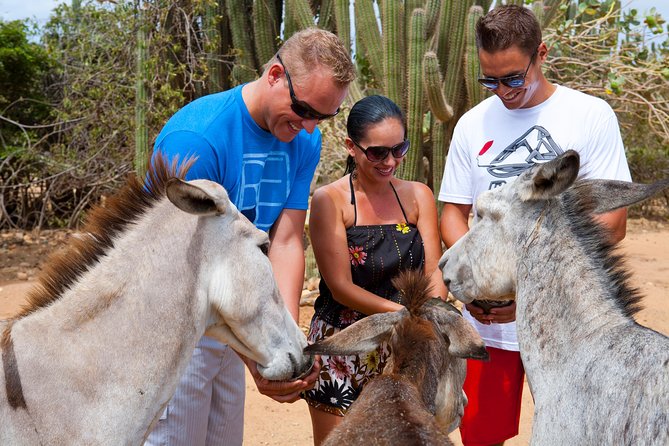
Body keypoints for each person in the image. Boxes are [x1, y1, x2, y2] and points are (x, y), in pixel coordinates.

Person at [145, 28, 356, 446]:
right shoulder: (198, 141)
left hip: (233, 315)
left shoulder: (303, 137)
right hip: (180, 323)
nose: (310, 126)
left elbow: (287, 238)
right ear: (276, 74)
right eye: (303, 109)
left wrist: (282, 339)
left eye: (323, 117)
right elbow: (178, 270)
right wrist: (259, 354)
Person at [438, 5, 631, 446]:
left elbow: (612, 222)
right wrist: (486, 284)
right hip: (491, 325)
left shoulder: (590, 116)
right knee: (482, 436)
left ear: (540, 54)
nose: (502, 91)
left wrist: (523, 286)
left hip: (573, 324)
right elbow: (453, 212)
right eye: (490, 79)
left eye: (512, 78)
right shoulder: (472, 125)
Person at [303, 95, 448, 445]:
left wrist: (433, 313)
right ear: (351, 147)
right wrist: (404, 315)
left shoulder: (418, 196)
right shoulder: (330, 200)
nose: (391, 162)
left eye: (399, 150)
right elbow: (340, 287)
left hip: (408, 345)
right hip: (346, 345)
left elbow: (434, 271)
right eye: (378, 152)